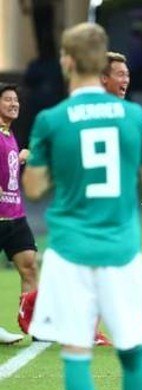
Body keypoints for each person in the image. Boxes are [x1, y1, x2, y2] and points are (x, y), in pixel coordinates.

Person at [24, 22, 142, 390]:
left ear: (66, 60)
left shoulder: (51, 119)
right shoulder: (133, 115)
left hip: (69, 249)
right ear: (102, 62)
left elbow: (33, 187)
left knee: (76, 354)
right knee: (132, 352)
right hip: (121, 247)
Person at [0, 83, 36, 344]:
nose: (14, 104)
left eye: (16, 100)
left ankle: (32, 323)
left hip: (16, 214)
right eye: (8, 100)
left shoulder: (10, 135)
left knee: (29, 265)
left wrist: (21, 157)